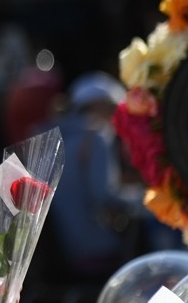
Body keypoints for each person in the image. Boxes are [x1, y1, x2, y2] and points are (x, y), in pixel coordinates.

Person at [47, 72, 145, 280]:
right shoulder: (98, 135)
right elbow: (105, 194)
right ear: (99, 107)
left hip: (59, 251)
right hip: (95, 247)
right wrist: (146, 200)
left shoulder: (51, 136)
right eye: (113, 110)